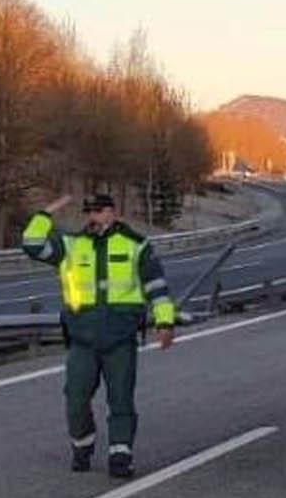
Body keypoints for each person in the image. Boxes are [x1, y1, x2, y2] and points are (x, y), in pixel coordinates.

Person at [21, 193, 177, 478]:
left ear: (113, 213)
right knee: (75, 399)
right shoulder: (71, 246)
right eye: (89, 211)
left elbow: (156, 285)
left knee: (121, 400)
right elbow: (32, 245)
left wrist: (165, 321)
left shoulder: (136, 245)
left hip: (120, 337)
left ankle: (121, 454)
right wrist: (45, 215)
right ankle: (82, 444)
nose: (93, 216)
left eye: (99, 210)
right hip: (82, 338)